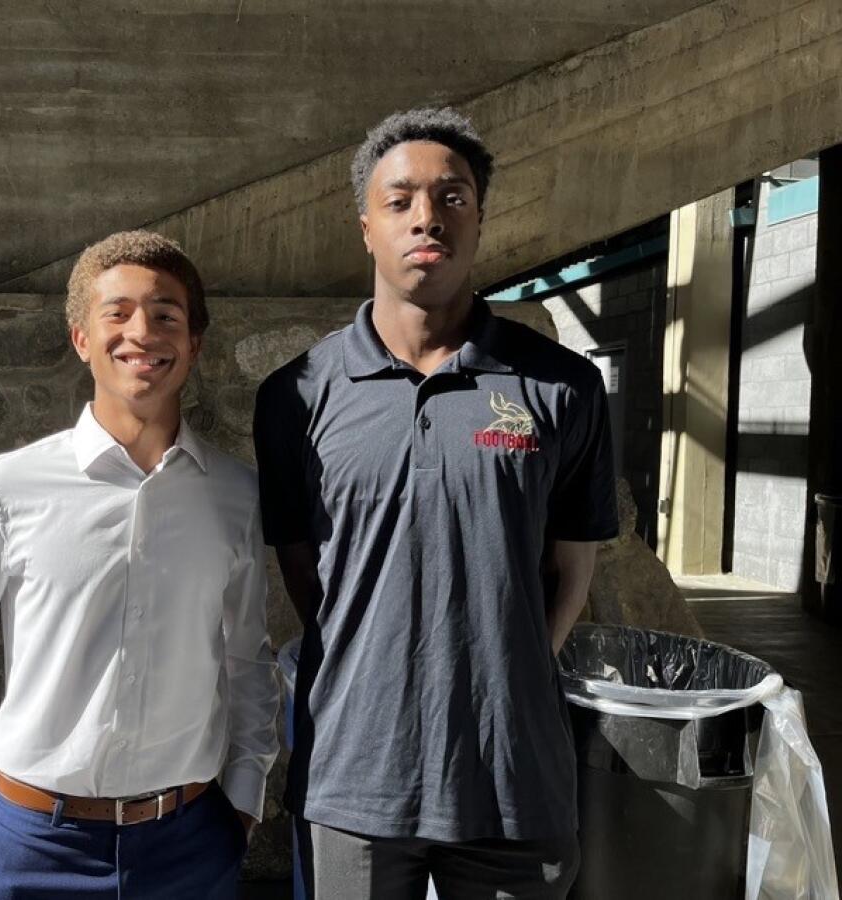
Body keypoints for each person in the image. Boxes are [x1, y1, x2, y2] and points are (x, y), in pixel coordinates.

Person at [252, 107, 618, 900]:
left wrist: (503, 667)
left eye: (452, 197)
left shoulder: (562, 387)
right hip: (355, 783)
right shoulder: (296, 397)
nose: (427, 217)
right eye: (401, 200)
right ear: (366, 226)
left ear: (479, 217)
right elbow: (309, 578)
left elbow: (572, 568)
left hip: (515, 784)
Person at [0, 230, 280, 900]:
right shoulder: (5, 487)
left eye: (166, 314)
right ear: (82, 339)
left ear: (193, 342)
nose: (142, 331)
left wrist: (244, 801)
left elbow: (247, 656)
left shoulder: (235, 496)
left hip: (188, 847)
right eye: (118, 313)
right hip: (26, 847)